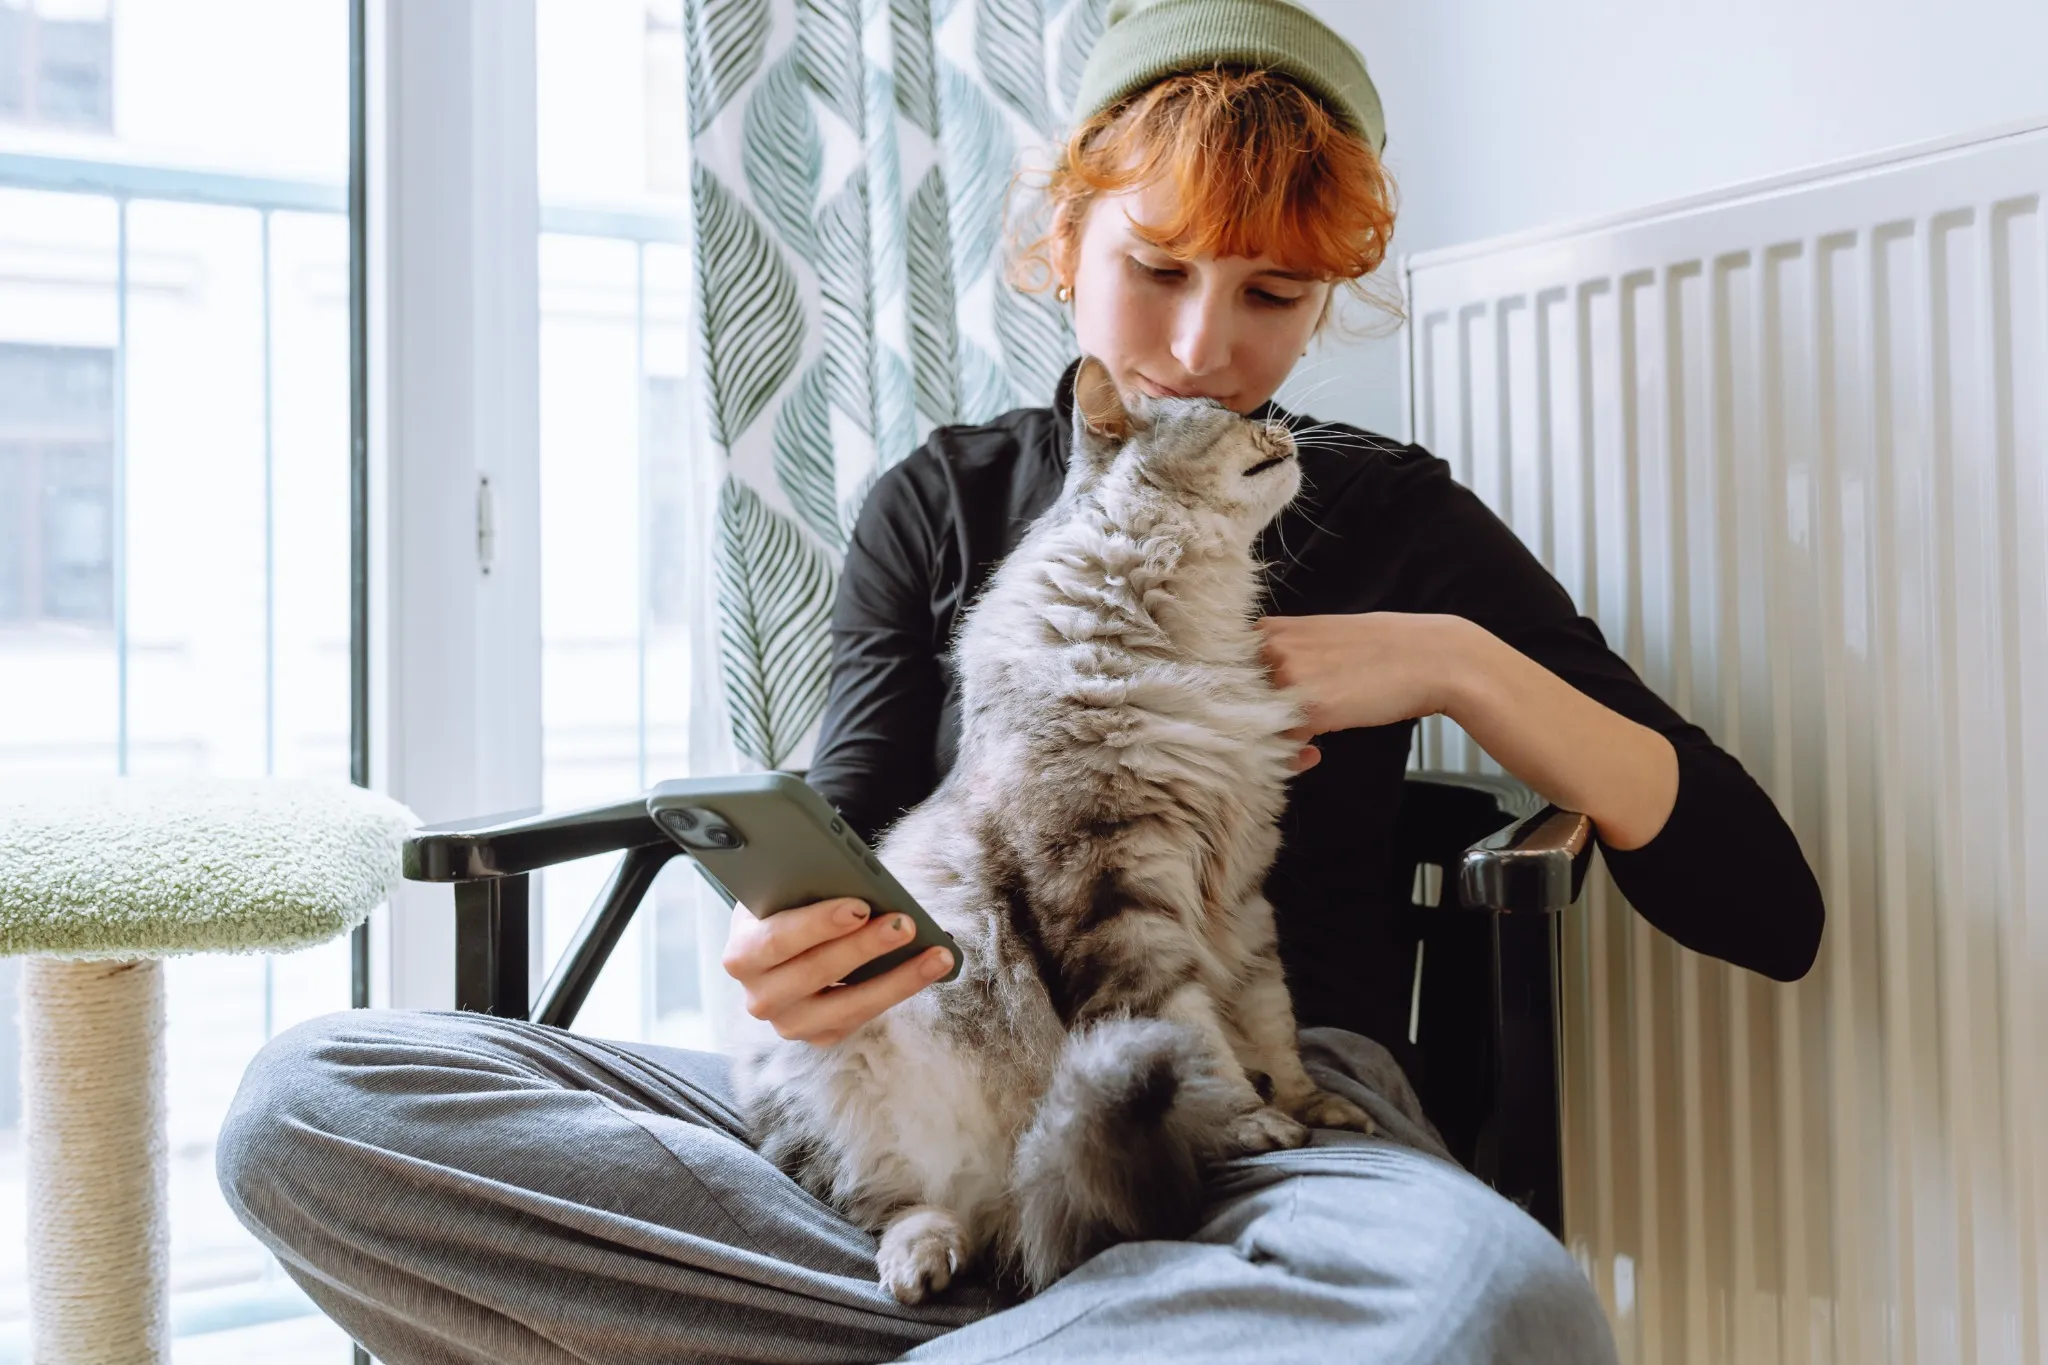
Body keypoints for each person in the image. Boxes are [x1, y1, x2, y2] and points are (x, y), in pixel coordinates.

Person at [218, 2, 1823, 1361]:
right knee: (312, 1103)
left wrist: (1449, 664)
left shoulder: (1386, 515)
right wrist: (788, 956)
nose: (1207, 348)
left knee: (1495, 1308)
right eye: (1162, 269)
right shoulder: (941, 498)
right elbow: (840, 829)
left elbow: (1765, 902)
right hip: (919, 1106)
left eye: (1275, 296)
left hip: (1251, 1122)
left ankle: (996, 1317)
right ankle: (1067, 1321)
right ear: (1062, 245)